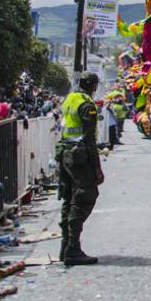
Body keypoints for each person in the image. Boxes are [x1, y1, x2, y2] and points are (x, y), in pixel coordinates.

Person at [57, 72, 104, 266]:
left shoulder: (70, 98)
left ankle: (65, 246)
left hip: (65, 153)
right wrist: (98, 169)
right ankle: (73, 249)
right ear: (92, 86)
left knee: (69, 199)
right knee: (84, 197)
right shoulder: (86, 104)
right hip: (80, 157)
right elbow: (89, 140)